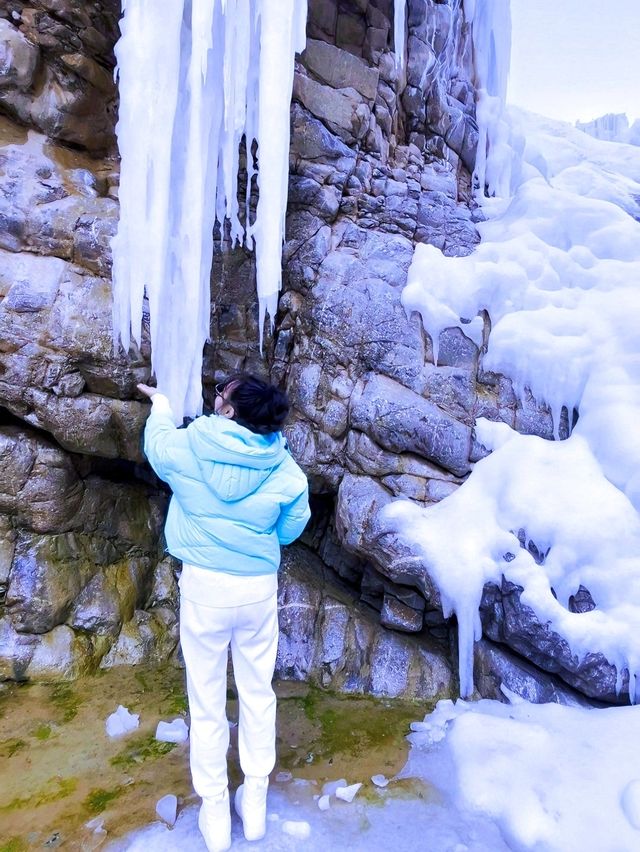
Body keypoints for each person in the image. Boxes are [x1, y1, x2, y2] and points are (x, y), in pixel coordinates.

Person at [137, 374, 310, 852]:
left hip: (205, 590)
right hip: (255, 590)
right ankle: (253, 804)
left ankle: (215, 813)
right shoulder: (285, 467)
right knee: (258, 693)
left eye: (222, 394)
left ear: (231, 411)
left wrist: (162, 406)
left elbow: (158, 447)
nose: (215, 398)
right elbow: (292, 527)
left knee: (207, 700)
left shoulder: (192, 444)